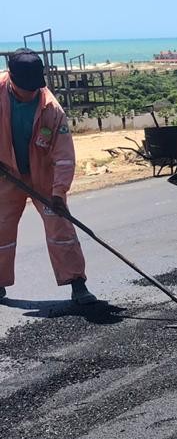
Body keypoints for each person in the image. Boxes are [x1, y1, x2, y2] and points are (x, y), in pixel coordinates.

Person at [0, 49, 96, 304]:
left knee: (60, 225)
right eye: (25, 87)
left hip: (43, 175)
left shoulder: (51, 109)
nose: (30, 93)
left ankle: (77, 283)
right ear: (10, 77)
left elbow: (64, 155)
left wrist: (58, 192)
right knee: (1, 228)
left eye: (34, 88)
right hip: (6, 173)